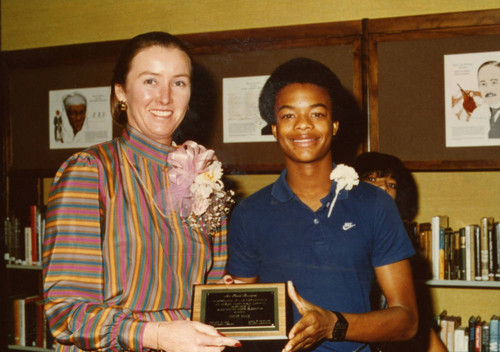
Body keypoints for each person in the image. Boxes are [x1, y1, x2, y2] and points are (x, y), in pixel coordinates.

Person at [43, 31, 240, 352]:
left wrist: (221, 295)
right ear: (121, 91)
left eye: (179, 83)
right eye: (150, 81)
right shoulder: (91, 170)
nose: (165, 98)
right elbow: (66, 313)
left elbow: (212, 282)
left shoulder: (205, 172)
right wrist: (159, 335)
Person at [226, 58, 418, 352]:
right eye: (289, 116)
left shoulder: (375, 204)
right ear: (275, 129)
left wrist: (333, 325)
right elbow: (243, 326)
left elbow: (406, 320)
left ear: (335, 125)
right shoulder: (249, 213)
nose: (303, 125)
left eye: (316, 114)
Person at [354, 152, 447, 352]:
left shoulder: (399, 245)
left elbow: (421, 328)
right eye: (372, 179)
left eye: (391, 184)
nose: (383, 188)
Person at [470, 60, 500, 138]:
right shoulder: (477, 113)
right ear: (479, 87)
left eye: (494, 83)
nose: (488, 90)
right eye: (483, 84)